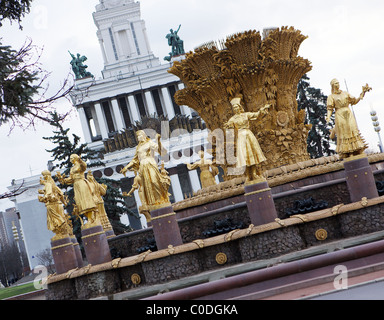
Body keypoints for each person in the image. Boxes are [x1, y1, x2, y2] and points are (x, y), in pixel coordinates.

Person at [120, 131, 171, 210]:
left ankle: (161, 199)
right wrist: (126, 167)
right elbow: (135, 160)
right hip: (143, 167)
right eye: (137, 136)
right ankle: (153, 203)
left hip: (150, 164)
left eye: (139, 135)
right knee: (148, 185)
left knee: (155, 181)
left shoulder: (150, 143)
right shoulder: (138, 147)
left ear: (143, 135)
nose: (138, 138)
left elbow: (161, 151)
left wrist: (158, 141)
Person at [224, 97, 270, 183]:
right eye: (234, 108)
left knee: (252, 154)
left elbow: (256, 115)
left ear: (240, 107)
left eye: (237, 107)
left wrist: (261, 110)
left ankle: (254, 173)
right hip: (241, 137)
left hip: (248, 135)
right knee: (244, 156)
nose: (236, 109)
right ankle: (248, 175)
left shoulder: (246, 115)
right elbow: (228, 127)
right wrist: (227, 126)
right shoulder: (233, 119)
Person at [326, 79, 371, 159]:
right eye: (336, 83)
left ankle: (357, 149)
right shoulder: (331, 96)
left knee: (352, 129)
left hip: (348, 113)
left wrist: (363, 93)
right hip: (339, 114)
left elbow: (354, 101)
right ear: (332, 85)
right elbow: (330, 108)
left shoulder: (345, 93)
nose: (338, 84)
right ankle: (348, 152)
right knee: (344, 132)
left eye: (338, 83)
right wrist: (328, 117)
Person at [57, 154, 98, 227]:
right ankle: (89, 219)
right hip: (76, 185)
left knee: (86, 200)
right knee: (80, 202)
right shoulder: (72, 169)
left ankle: (91, 219)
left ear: (76, 158)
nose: (70, 160)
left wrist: (81, 161)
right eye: (70, 158)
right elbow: (71, 179)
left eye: (72, 158)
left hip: (82, 183)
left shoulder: (80, 165)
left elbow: (84, 167)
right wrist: (62, 179)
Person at [38, 170, 70, 240]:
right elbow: (61, 193)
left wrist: (42, 198)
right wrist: (64, 202)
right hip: (58, 204)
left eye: (44, 176)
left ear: (46, 176)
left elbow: (48, 194)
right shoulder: (53, 185)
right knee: (59, 218)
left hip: (52, 205)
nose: (43, 177)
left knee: (56, 220)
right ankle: (62, 233)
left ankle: (59, 234)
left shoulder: (48, 184)